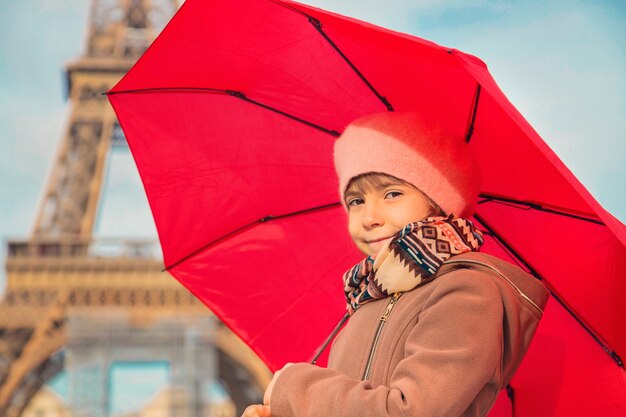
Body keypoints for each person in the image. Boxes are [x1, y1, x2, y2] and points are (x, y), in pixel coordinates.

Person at [243, 112, 549, 417]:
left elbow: (412, 411)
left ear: (437, 202)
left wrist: (298, 390)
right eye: (356, 201)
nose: (369, 217)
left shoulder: (467, 291)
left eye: (392, 194)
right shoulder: (365, 298)